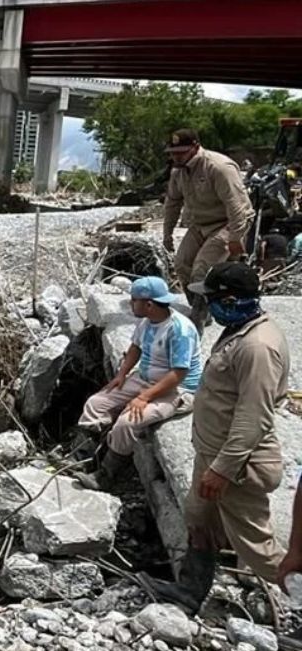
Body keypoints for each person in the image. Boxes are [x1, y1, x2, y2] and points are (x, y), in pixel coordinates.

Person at [144, 262, 290, 618]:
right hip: (210, 455)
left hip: (238, 466)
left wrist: (223, 469)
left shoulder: (258, 347)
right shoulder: (239, 329)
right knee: (198, 518)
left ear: (231, 299)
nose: (207, 306)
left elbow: (253, 417)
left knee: (259, 550)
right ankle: (190, 591)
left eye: (212, 299)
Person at [72, 277, 202, 491]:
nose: (130, 304)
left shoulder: (180, 330)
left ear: (148, 304)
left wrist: (144, 397)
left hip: (176, 389)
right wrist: (121, 374)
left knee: (128, 422)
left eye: (133, 300)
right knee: (96, 403)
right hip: (144, 378)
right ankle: (82, 458)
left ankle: (106, 475)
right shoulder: (146, 321)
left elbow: (178, 373)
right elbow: (135, 348)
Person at [162, 129, 254, 334]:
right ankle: (204, 308)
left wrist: (236, 238)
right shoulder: (178, 171)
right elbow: (172, 204)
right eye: (172, 152)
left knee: (202, 270)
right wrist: (167, 234)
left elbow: (236, 206)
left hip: (227, 223)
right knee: (182, 264)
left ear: (195, 148)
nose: (175, 156)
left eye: (181, 152)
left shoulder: (219, 167)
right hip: (201, 224)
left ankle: (197, 324)